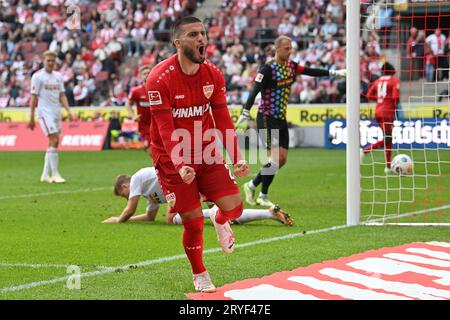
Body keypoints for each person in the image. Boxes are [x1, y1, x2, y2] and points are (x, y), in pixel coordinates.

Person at [146, 16, 250, 292]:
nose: (201, 39)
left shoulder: (213, 74)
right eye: (193, 35)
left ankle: (219, 218)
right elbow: (165, 129)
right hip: (171, 159)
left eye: (203, 33)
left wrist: (236, 155)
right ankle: (200, 273)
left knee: (235, 207)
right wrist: (179, 164)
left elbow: (223, 119)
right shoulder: (158, 78)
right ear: (178, 43)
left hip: (206, 151)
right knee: (192, 221)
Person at [236, 35, 346, 207]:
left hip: (280, 118)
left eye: (290, 48)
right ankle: (263, 196)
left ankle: (251, 185)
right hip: (265, 117)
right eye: (286, 48)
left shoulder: (291, 66)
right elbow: (255, 90)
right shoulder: (267, 69)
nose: (289, 51)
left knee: (282, 159)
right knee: (274, 159)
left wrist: (334, 73)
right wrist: (245, 110)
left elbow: (310, 71)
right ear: (277, 49)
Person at [102, 167, 294, 226]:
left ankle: (268, 213)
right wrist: (128, 220)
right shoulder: (147, 193)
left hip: (187, 181)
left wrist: (118, 220)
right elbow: (150, 217)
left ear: (125, 186)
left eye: (123, 194)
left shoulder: (136, 179)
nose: (125, 198)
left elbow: (130, 209)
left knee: (172, 218)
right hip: (186, 186)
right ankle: (269, 213)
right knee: (225, 214)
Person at [28, 51, 73, 183]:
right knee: (54, 138)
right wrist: (31, 117)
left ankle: (45, 174)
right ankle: (55, 174)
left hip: (56, 112)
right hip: (44, 112)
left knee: (53, 141)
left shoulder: (58, 76)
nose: (51, 63)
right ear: (44, 61)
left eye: (53, 61)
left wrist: (68, 111)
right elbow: (33, 97)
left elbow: (62, 95)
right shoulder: (38, 77)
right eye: (48, 60)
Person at [361, 62, 400, 174]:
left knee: (388, 138)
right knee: (388, 138)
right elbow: (396, 97)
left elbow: (368, 95)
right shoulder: (394, 80)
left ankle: (388, 167)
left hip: (378, 111)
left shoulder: (378, 81)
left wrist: (379, 99)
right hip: (387, 112)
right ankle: (365, 151)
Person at [125, 65, 152, 157]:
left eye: (149, 73)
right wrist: (133, 116)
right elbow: (128, 104)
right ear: (140, 76)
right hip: (144, 126)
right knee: (149, 148)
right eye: (144, 73)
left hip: (158, 124)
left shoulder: (158, 88)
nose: (147, 75)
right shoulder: (136, 91)